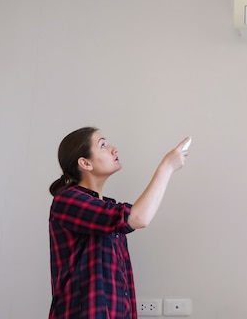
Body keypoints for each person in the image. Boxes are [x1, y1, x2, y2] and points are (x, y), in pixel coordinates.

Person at [47, 127, 190, 319]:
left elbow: (123, 284)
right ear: (85, 163)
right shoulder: (68, 200)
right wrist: (166, 167)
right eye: (103, 145)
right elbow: (139, 218)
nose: (114, 149)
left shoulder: (107, 209)